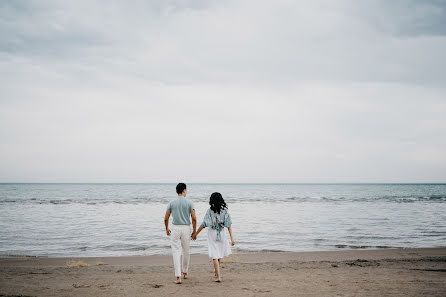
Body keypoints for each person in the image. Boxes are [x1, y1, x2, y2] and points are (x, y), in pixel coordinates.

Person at [192, 192, 235, 282]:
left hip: (212, 233)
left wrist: (196, 233)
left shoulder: (210, 211)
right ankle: (216, 271)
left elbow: (204, 224)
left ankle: (218, 277)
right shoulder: (225, 211)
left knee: (215, 254)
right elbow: (229, 225)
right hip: (222, 233)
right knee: (218, 253)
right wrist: (232, 238)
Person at [164, 183, 196, 284]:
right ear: (184, 190)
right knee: (186, 251)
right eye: (186, 190)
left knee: (176, 252)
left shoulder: (171, 203)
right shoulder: (190, 203)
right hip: (186, 228)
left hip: (175, 228)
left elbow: (166, 218)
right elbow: (194, 218)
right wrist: (194, 230)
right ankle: (185, 272)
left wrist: (166, 228)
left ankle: (178, 277)